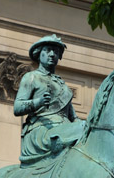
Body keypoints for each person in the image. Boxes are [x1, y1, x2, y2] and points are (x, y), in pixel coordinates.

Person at [14, 34, 84, 166]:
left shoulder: (62, 84)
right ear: (39, 54)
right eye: (48, 50)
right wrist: (38, 102)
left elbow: (73, 117)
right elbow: (17, 108)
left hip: (64, 128)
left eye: (56, 52)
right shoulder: (32, 77)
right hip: (41, 130)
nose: (52, 54)